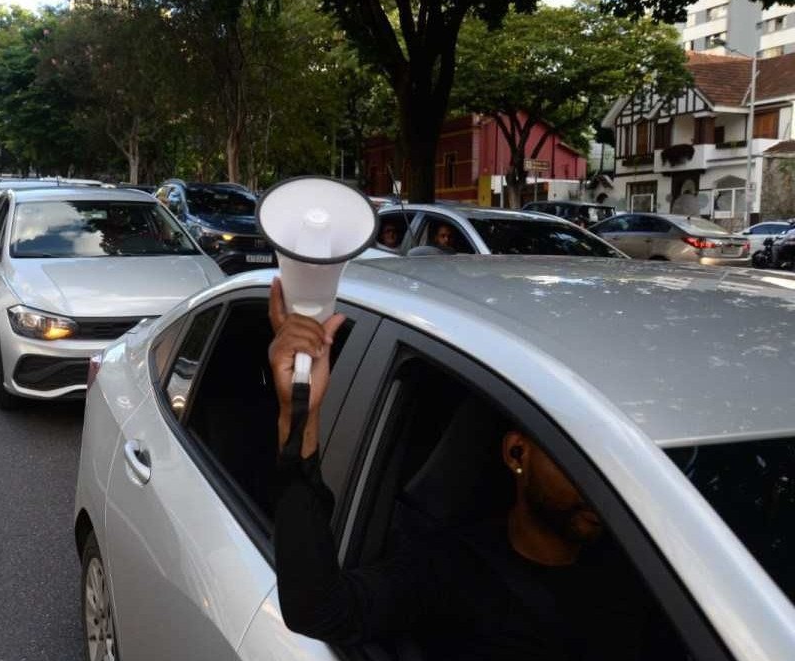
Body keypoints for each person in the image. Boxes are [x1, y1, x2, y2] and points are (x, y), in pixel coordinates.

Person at [267, 279, 681, 660]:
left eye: (613, 458)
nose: (602, 481)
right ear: (517, 454)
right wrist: (298, 412)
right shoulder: (452, 568)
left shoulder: (652, 572)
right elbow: (321, 611)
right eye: (580, 459)